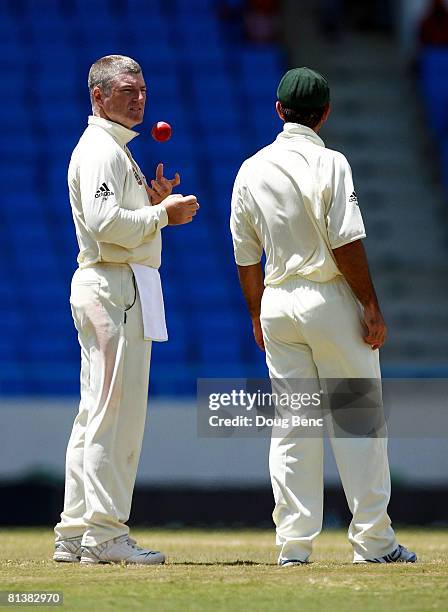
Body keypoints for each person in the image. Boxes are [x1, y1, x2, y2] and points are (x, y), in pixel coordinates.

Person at [230, 67, 417, 565]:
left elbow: (246, 255)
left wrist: (256, 314)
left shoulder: (251, 168)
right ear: (326, 113)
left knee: (294, 425)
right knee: (356, 422)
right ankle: (374, 543)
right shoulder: (331, 161)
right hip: (327, 297)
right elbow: (345, 241)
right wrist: (370, 305)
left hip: (277, 302)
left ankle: (293, 546)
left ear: (278, 110)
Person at [53, 55, 199, 565]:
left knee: (96, 412)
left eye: (141, 89)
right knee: (116, 416)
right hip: (111, 287)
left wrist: (152, 203)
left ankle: (75, 532)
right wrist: (163, 212)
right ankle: (105, 535)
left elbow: (120, 216)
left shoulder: (115, 150)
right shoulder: (99, 149)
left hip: (118, 284)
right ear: (98, 95)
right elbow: (103, 224)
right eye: (126, 91)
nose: (139, 98)